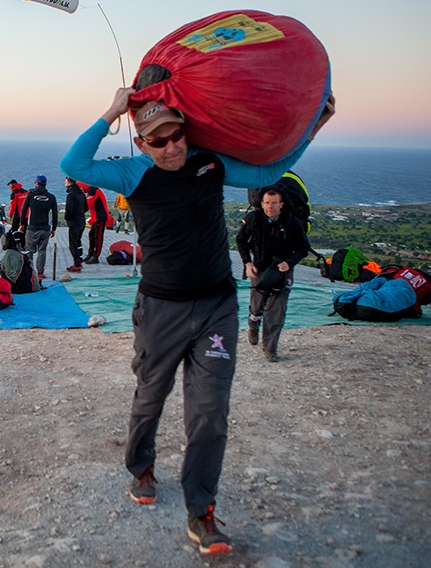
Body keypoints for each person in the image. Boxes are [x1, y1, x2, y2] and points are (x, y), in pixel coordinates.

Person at [61, 86, 328, 555]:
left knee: (209, 413)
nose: (171, 147)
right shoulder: (132, 173)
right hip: (160, 308)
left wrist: (314, 127)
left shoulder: (210, 164)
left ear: (186, 133)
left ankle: (200, 511)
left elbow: (269, 171)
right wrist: (112, 113)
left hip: (215, 308)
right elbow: (74, 166)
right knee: (150, 396)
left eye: (176, 136)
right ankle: (141, 465)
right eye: (158, 141)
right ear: (142, 143)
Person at [236, 187, 310, 362]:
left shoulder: (292, 223)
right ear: (261, 204)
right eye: (267, 203)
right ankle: (253, 323)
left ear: (281, 204)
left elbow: (303, 249)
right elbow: (241, 240)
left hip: (282, 271)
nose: (270, 207)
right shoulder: (253, 219)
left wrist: (289, 262)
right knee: (257, 305)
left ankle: (270, 348)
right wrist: (247, 262)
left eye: (274, 203)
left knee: (276, 310)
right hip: (259, 268)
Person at [17, 175, 57, 280]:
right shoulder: (51, 197)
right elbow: (55, 214)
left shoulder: (30, 195)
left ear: (37, 183)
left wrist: (22, 224)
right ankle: (40, 273)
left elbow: (24, 210)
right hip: (45, 228)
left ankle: (29, 272)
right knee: (42, 250)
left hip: (32, 227)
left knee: (29, 250)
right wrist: (54, 228)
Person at [63, 177, 88, 273]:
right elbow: (86, 207)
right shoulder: (81, 194)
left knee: (72, 244)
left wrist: (67, 218)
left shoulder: (71, 194)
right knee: (78, 242)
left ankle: (77, 264)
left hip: (74, 221)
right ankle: (80, 260)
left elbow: (69, 209)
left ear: (69, 181)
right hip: (81, 220)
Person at [84, 185, 110, 264]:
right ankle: (91, 253)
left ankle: (95, 256)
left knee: (97, 236)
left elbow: (88, 205)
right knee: (92, 235)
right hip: (96, 217)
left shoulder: (93, 191)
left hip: (100, 217)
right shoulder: (93, 190)